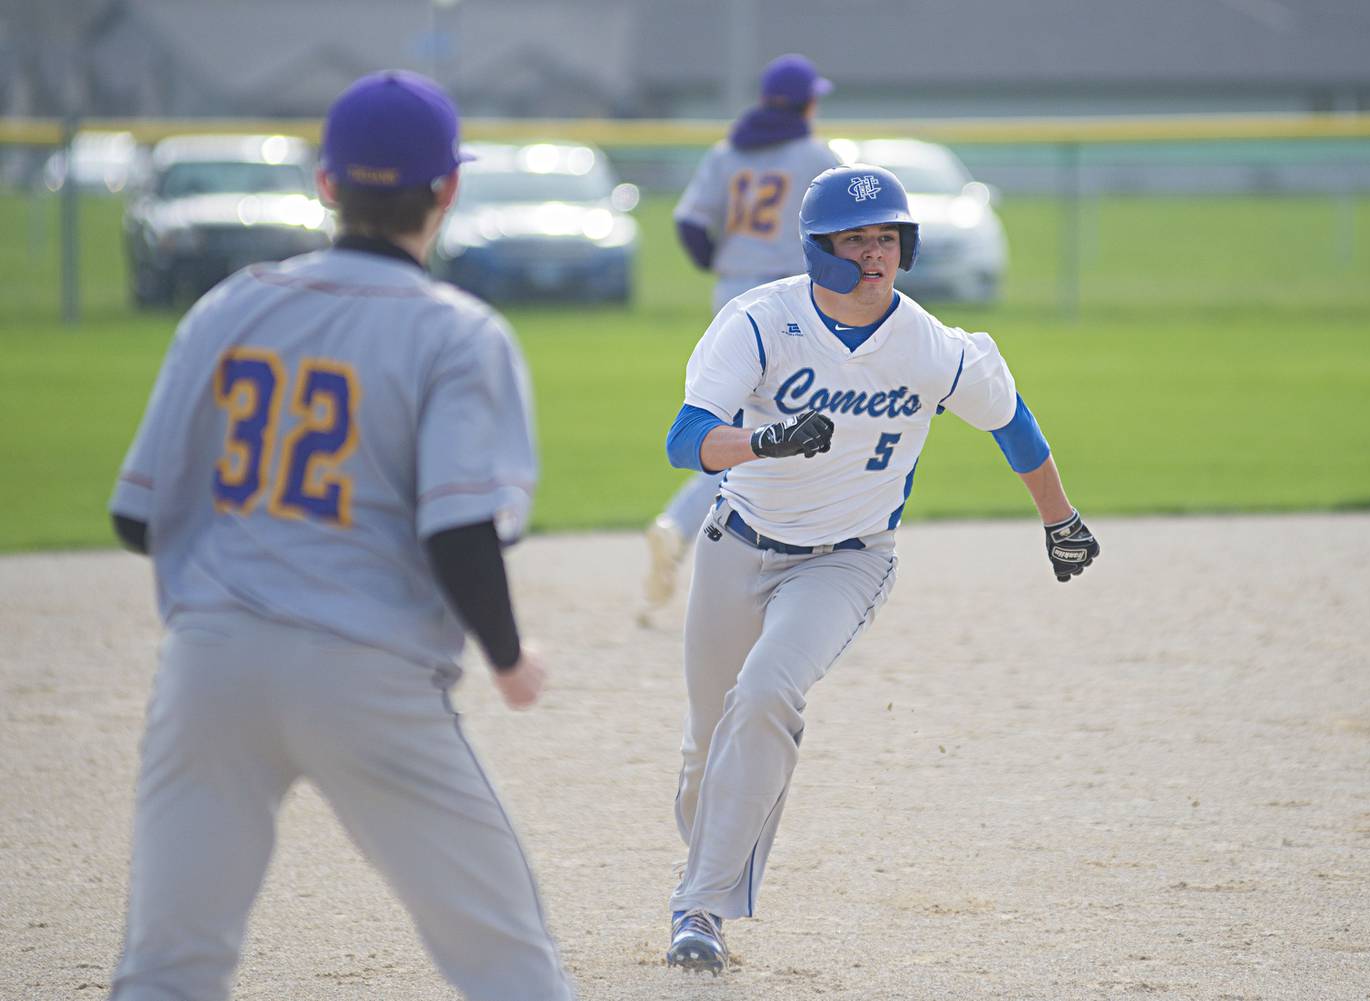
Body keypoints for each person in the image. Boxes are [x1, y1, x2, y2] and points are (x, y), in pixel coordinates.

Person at [105, 70, 573, 1001]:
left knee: (169, 967)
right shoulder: (458, 333)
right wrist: (510, 658)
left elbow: (135, 514)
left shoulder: (230, 305)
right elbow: (458, 526)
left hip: (210, 668)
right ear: (448, 191)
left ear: (326, 185)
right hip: (370, 675)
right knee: (507, 961)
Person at [661, 164, 1100, 974]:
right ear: (819, 249)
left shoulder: (930, 345)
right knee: (704, 743)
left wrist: (1060, 519)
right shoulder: (760, 322)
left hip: (848, 561)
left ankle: (700, 908)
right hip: (737, 540)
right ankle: (707, 876)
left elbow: (1013, 425)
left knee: (765, 694)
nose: (874, 253)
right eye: (856, 238)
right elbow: (686, 439)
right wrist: (766, 441)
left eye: (887, 237)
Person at [642, 53, 841, 623]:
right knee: (768, 436)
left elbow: (688, 224)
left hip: (731, 295)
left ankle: (684, 528)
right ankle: (687, 529)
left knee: (742, 428)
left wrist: (726, 262)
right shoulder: (814, 155)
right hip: (787, 301)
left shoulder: (728, 151)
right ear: (805, 102)